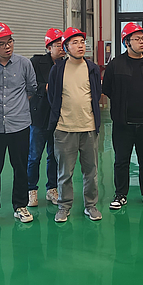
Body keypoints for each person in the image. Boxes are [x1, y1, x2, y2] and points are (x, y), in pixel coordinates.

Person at [0, 21, 38, 225]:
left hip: (19, 125)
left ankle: (20, 206)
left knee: (20, 167)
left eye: (10, 41)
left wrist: (16, 107)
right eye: (1, 43)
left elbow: (32, 88)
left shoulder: (24, 64)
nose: (7, 46)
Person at [102, 22, 143, 210]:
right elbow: (107, 89)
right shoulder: (115, 64)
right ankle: (120, 194)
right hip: (123, 124)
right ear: (126, 42)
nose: (142, 42)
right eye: (137, 39)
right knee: (121, 161)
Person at [46, 27, 102, 222]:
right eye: (75, 42)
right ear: (66, 47)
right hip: (64, 129)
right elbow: (52, 96)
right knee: (65, 173)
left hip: (89, 127)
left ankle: (91, 205)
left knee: (91, 172)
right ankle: (64, 206)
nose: (80, 46)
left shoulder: (92, 68)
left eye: (82, 42)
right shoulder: (58, 69)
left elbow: (96, 94)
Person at [27, 28, 65, 207]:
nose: (62, 48)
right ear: (49, 47)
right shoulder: (36, 62)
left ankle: (52, 188)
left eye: (63, 45)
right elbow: (29, 84)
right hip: (39, 116)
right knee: (34, 156)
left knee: (54, 156)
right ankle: (31, 190)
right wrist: (46, 87)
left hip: (58, 117)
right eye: (58, 45)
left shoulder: (66, 64)